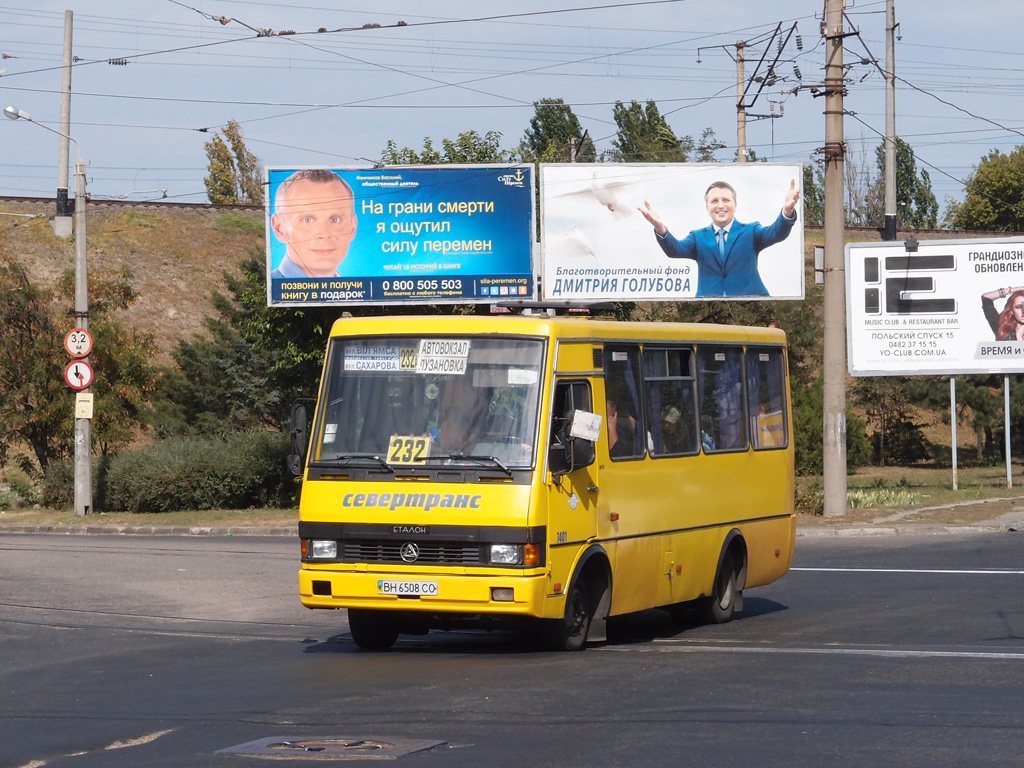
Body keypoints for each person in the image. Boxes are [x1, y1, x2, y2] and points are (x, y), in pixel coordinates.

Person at [638, 179, 800, 297]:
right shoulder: (697, 237)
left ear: (735, 206)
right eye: (714, 201)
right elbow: (675, 250)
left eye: (726, 200)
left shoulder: (751, 231)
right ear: (707, 208)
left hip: (750, 301)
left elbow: (776, 232)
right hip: (708, 304)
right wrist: (660, 227)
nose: (720, 205)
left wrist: (787, 212)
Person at [271, 169, 358, 278]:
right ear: (279, 228)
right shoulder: (266, 291)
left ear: (353, 227)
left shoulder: (363, 292)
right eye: (307, 220)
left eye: (335, 219)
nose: (324, 234)